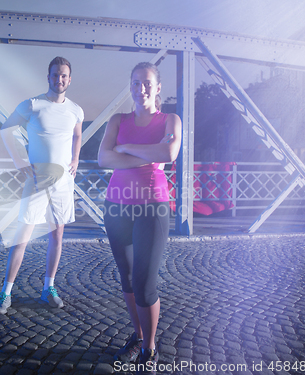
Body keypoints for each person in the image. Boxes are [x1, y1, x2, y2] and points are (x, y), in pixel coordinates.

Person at [98, 62, 182, 372]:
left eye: (147, 83)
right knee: (128, 278)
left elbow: (169, 154)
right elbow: (103, 158)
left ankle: (150, 346)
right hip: (116, 207)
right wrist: (148, 151)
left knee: (146, 283)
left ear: (158, 87)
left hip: (152, 207)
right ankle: (138, 335)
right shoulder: (117, 120)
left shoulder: (170, 119)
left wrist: (126, 148)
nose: (141, 87)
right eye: (135, 82)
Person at [0, 56, 84, 315]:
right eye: (55, 75)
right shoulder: (32, 105)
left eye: (64, 75)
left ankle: (49, 288)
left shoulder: (76, 110)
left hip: (63, 182)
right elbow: (5, 129)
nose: (60, 79)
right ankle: (6, 293)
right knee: (22, 236)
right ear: (48, 77)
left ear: (69, 78)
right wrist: (19, 160)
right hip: (36, 180)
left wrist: (76, 158)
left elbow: (77, 135)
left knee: (57, 235)